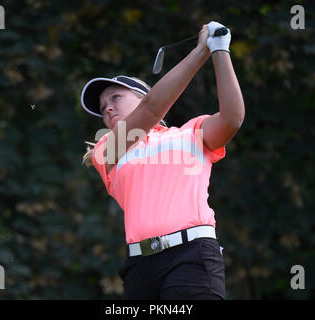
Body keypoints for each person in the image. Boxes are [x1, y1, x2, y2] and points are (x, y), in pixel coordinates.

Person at [81, 21, 245, 300]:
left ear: (143, 94)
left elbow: (232, 119)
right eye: (102, 107)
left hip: (192, 256)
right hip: (140, 267)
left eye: (116, 97)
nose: (107, 108)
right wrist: (200, 52)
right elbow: (151, 108)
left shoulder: (190, 133)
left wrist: (219, 51)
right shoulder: (107, 149)